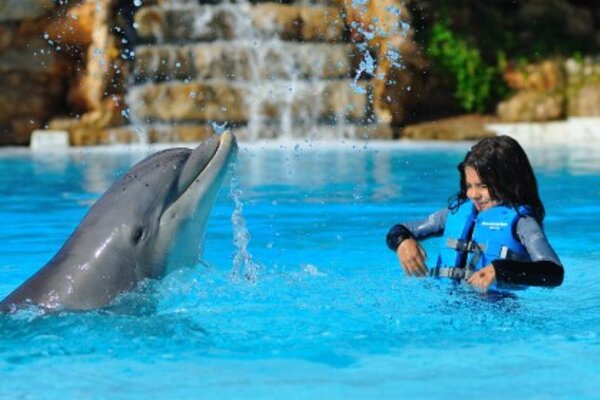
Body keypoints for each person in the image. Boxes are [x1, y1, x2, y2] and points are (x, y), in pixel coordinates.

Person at [386, 135, 564, 292]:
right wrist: (403, 242)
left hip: (497, 312)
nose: (473, 194)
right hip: (446, 304)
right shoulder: (456, 213)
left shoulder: (522, 223)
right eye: (469, 186)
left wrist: (499, 270)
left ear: (509, 182)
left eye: (483, 186)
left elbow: (553, 272)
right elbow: (400, 229)